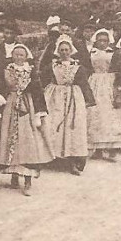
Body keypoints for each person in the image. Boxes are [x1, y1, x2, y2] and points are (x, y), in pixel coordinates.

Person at [0, 43, 52, 195]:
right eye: (16, 54)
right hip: (11, 104)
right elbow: (1, 87)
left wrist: (39, 112)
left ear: (26, 57)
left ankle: (28, 179)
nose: (19, 57)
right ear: (12, 56)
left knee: (28, 141)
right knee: (10, 139)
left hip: (27, 106)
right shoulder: (7, 70)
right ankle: (14, 174)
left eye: (22, 55)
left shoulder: (31, 71)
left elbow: (37, 91)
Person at [40, 35, 95, 175]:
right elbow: (43, 81)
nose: (64, 52)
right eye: (62, 49)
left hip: (73, 97)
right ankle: (50, 158)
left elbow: (83, 83)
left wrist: (89, 99)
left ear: (71, 50)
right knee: (53, 125)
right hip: (54, 97)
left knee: (72, 127)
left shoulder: (78, 67)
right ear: (58, 50)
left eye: (67, 49)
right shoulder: (51, 66)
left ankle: (73, 161)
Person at [86, 29, 121, 159]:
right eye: (100, 40)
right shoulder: (91, 52)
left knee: (110, 116)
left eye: (105, 41)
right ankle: (97, 148)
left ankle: (113, 148)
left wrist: (118, 88)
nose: (102, 43)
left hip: (109, 84)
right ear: (95, 41)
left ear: (109, 41)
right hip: (94, 83)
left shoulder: (114, 54)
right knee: (95, 115)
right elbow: (87, 69)